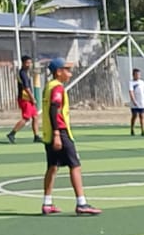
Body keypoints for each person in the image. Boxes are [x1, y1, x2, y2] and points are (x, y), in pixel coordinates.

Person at [40, 58, 100, 216]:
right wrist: (57, 134)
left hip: (49, 133)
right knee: (75, 165)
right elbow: (54, 109)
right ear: (58, 72)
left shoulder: (48, 86)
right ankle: (81, 203)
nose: (70, 73)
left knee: (52, 167)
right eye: (67, 70)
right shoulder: (57, 87)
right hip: (60, 132)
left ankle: (47, 203)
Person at [7, 55, 41, 144]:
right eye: (27, 63)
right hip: (25, 98)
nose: (29, 64)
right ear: (23, 63)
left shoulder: (25, 72)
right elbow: (26, 88)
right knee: (26, 118)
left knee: (35, 117)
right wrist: (32, 98)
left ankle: (36, 136)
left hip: (28, 98)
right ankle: (12, 133)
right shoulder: (23, 73)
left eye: (30, 62)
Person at [128, 68, 144, 136]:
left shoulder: (142, 82)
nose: (138, 76)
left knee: (142, 116)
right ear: (133, 75)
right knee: (134, 116)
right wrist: (134, 100)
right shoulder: (131, 83)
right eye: (136, 74)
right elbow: (131, 92)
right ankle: (132, 129)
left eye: (139, 74)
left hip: (142, 102)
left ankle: (143, 130)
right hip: (135, 103)